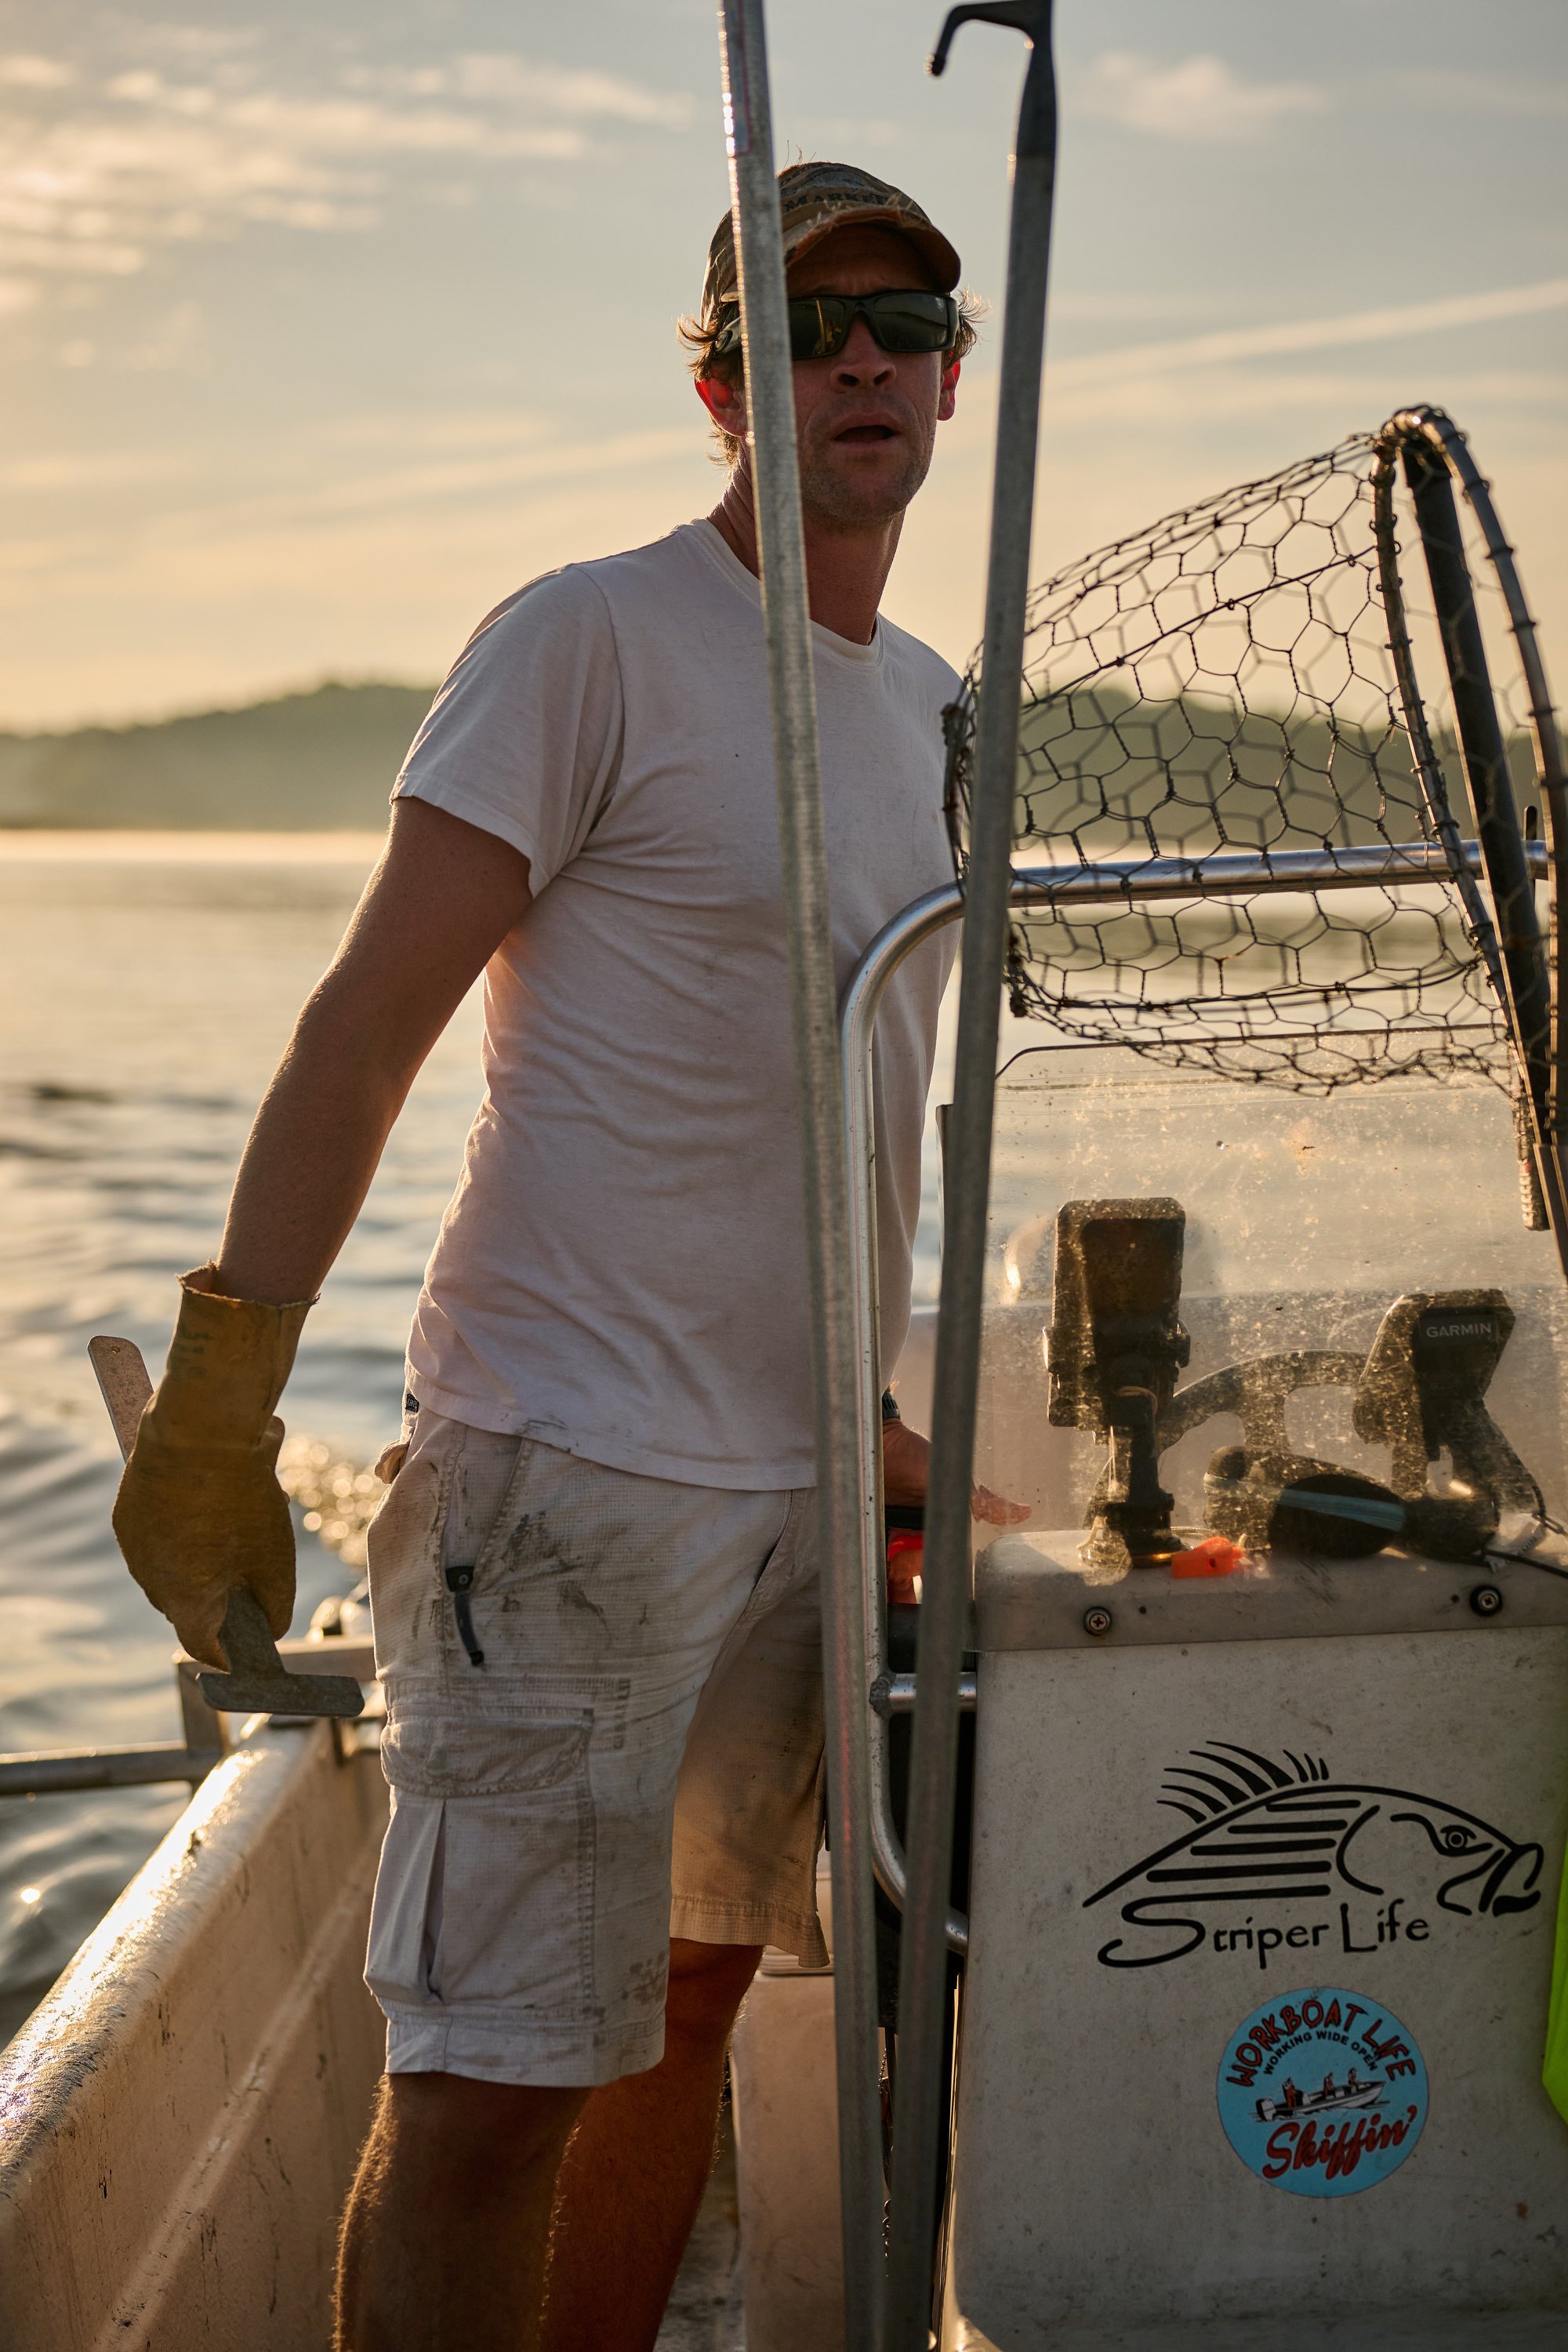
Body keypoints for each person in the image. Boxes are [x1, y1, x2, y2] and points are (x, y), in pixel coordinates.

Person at [112, 160, 1022, 2352]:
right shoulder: (585, 636)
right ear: (726, 384)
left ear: (958, 370)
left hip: (796, 1496)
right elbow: (364, 1024)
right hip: (565, 1483)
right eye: (810, 328)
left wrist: (874, 1422)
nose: (866, 359)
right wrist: (229, 1394)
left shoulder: (926, 710)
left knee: (689, 2010)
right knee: (493, 2092)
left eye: (904, 316)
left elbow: (843, 1113)